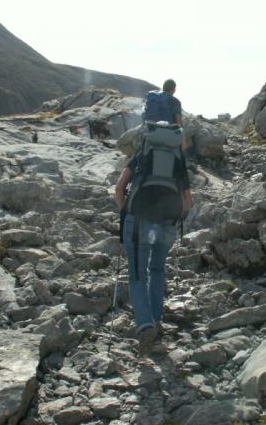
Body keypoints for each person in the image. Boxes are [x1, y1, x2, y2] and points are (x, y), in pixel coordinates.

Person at [115, 79, 194, 357]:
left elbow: (119, 188)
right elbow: (189, 201)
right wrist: (176, 218)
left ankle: (145, 325)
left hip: (138, 221)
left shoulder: (142, 153)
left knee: (138, 276)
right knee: (158, 270)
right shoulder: (178, 159)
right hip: (167, 223)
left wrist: (125, 211)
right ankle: (156, 321)